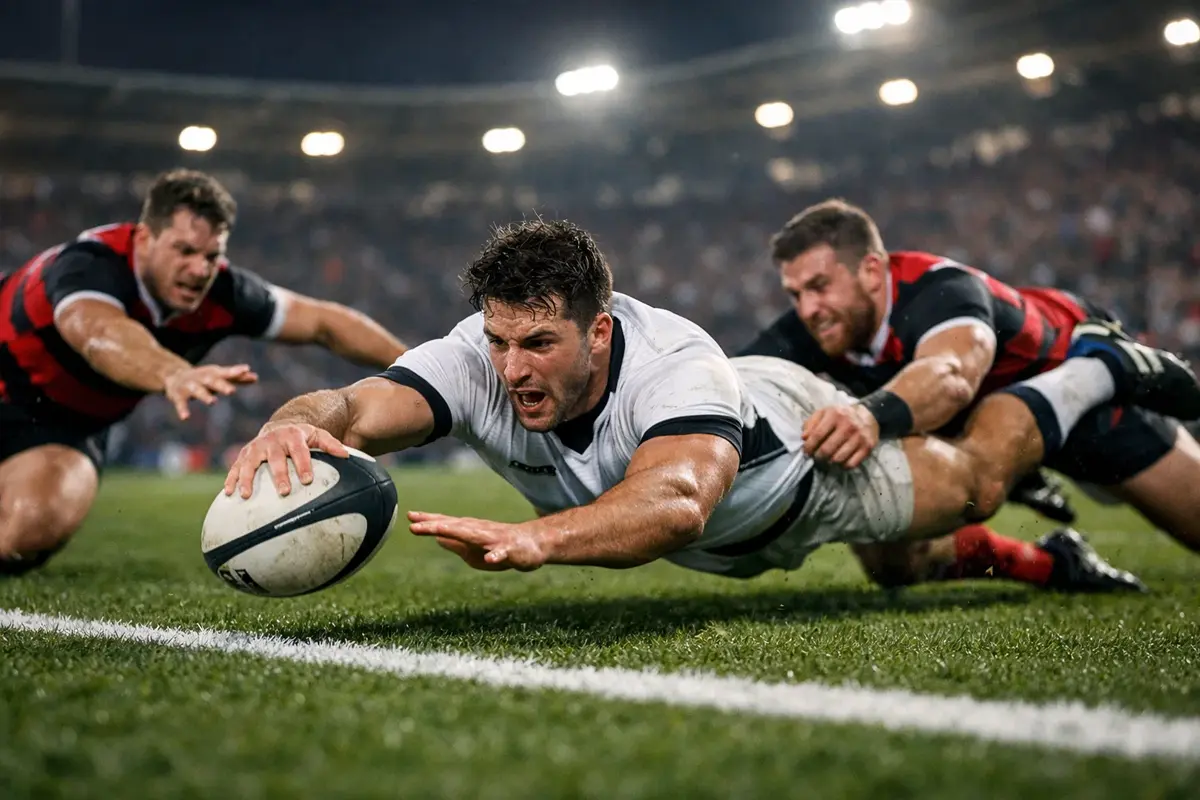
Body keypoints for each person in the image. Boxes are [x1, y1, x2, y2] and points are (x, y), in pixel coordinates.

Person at [224, 219, 1198, 588]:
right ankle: (1048, 557)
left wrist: (545, 538)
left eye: (540, 343)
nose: (511, 367)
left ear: (599, 331)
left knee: (979, 477)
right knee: (902, 574)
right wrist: (295, 424)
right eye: (499, 340)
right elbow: (355, 406)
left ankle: (1093, 372)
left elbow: (680, 499)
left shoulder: (673, 360)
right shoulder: (475, 358)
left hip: (801, 471)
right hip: (732, 519)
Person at [738, 198, 1200, 589]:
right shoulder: (815, 325)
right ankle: (1054, 563)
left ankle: (1107, 363)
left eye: (819, 286)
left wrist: (868, 416)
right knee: (892, 562)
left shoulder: (940, 290)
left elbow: (952, 376)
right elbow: (733, 381)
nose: (808, 309)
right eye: (795, 293)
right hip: (984, 430)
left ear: (873, 271)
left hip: (1080, 398)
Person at [0, 169, 408, 575]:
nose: (199, 269)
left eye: (211, 256)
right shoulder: (88, 264)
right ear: (145, 238)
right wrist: (171, 372)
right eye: (184, 250)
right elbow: (97, 333)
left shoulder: (224, 293)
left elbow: (325, 323)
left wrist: (414, 365)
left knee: (27, 532)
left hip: (62, 426)